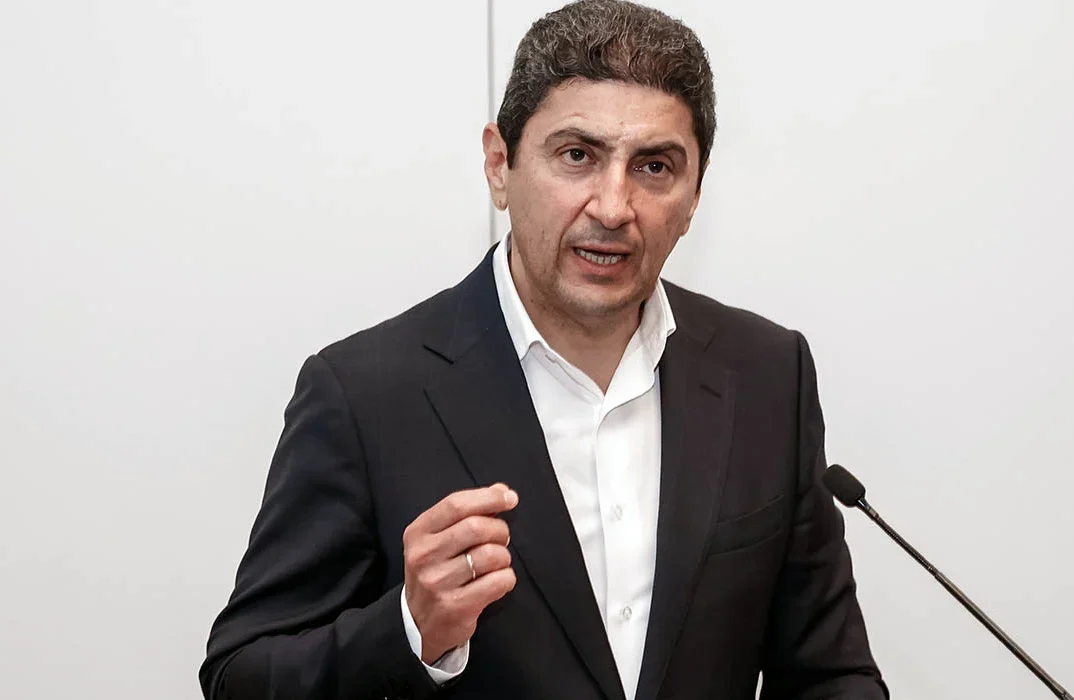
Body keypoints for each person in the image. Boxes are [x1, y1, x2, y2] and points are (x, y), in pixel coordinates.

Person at [199, 1, 888, 698]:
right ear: (500, 165)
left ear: (694, 195)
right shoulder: (365, 394)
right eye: (577, 156)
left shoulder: (767, 373)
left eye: (653, 166)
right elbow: (241, 677)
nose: (613, 207)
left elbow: (830, 675)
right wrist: (409, 630)